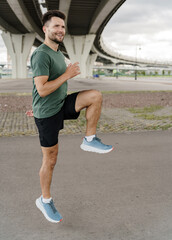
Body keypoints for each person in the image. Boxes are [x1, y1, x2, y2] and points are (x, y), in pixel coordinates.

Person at [27, 10, 113, 223]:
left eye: (63, 27)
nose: (60, 30)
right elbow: (42, 89)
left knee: (94, 96)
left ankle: (89, 139)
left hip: (60, 105)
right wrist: (67, 75)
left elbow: (43, 88)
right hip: (47, 114)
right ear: (45, 29)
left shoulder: (57, 52)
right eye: (56, 26)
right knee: (51, 159)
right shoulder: (41, 54)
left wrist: (64, 77)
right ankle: (44, 200)